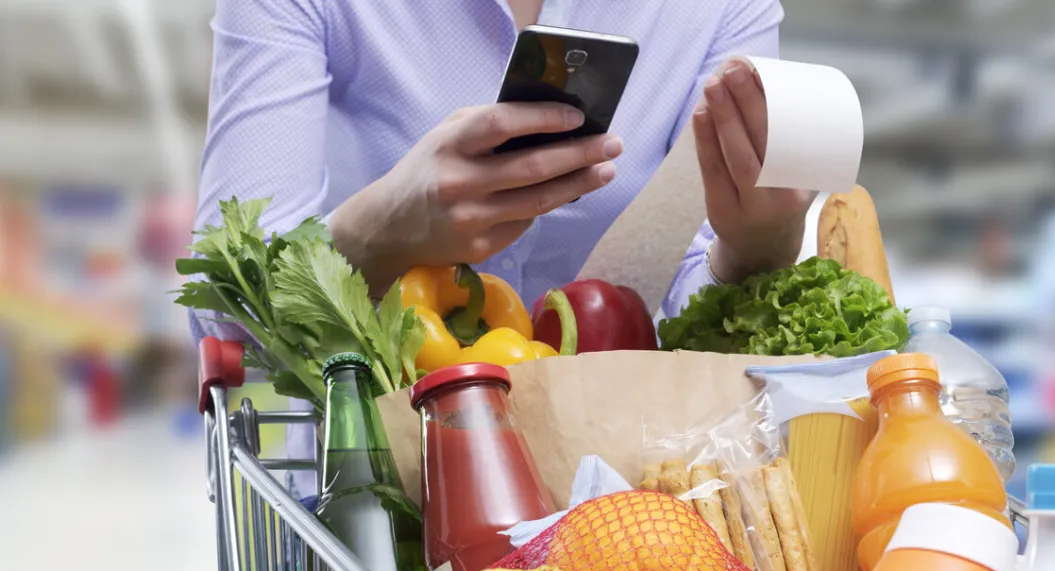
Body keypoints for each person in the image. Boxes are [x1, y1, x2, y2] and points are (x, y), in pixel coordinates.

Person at [191, 0, 815, 496]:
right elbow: (224, 297)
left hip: (613, 482)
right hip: (372, 480)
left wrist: (753, 247)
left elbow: (687, 300)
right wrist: (382, 228)